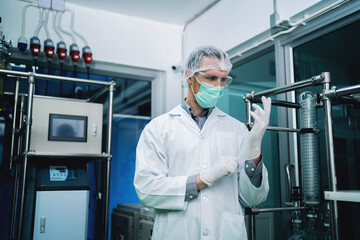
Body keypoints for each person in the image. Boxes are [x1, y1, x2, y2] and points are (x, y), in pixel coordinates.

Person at [134, 45, 271, 239]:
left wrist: (255, 148)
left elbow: (252, 199)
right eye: (211, 78)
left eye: (223, 79)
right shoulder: (159, 128)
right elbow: (147, 190)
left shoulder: (237, 129)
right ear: (190, 78)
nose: (218, 85)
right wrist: (202, 180)